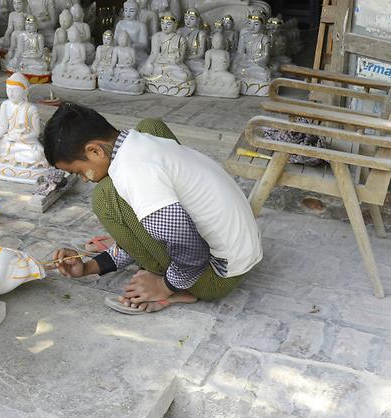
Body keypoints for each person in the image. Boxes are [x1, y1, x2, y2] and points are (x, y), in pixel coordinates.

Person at [42, 103, 262, 313]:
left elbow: (192, 251)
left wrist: (165, 286)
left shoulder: (134, 172)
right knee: (150, 124)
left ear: (95, 151)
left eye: (80, 171)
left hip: (217, 277)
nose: (85, 179)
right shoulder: (140, 142)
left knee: (105, 196)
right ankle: (141, 244)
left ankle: (181, 289)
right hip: (242, 253)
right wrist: (90, 267)